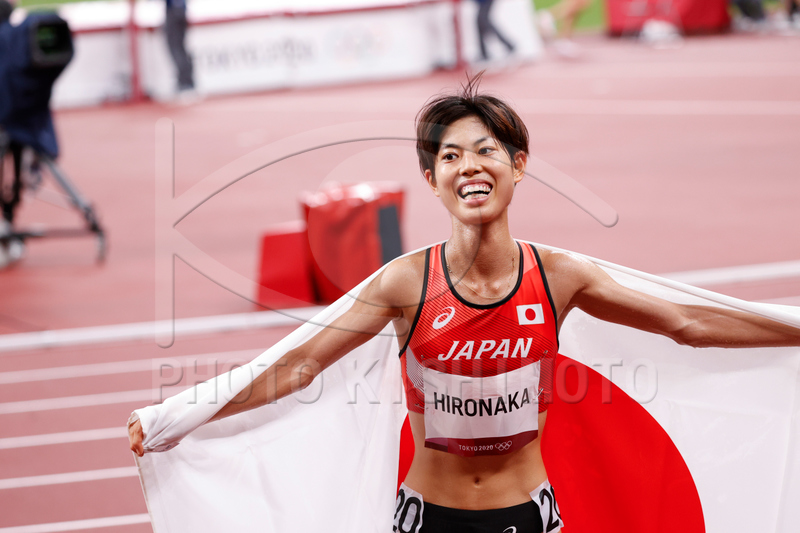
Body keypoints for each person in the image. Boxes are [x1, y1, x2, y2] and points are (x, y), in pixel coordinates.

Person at [129, 76, 800, 532]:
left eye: (486, 151)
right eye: (450, 156)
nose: (469, 166)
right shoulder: (404, 284)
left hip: (526, 517)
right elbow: (297, 365)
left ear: (518, 165)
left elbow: (687, 322)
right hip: (429, 517)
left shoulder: (559, 276)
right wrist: (178, 414)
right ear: (433, 179)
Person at [164, 0, 197, 101]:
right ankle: (186, 83)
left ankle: (185, 84)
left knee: (177, 48)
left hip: (174, 11)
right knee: (179, 48)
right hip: (179, 11)